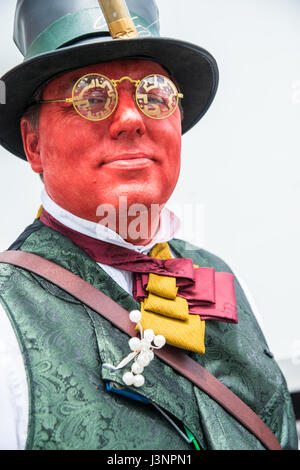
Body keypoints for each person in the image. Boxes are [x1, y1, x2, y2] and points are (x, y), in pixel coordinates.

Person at [0, 0, 297, 451]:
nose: (131, 119)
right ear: (34, 144)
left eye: (153, 93)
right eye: (92, 96)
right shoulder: (6, 319)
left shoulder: (228, 282)